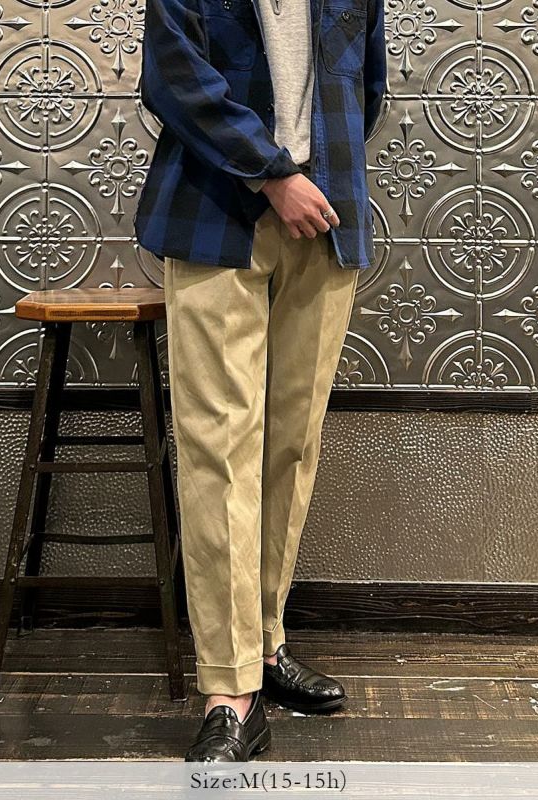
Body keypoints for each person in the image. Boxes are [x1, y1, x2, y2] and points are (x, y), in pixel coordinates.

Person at [134, 0, 387, 762]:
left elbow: (366, 86)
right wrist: (272, 173)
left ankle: (264, 644)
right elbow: (173, 77)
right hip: (216, 210)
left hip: (325, 219)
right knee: (219, 451)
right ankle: (229, 689)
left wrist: (318, 175)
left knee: (290, 446)